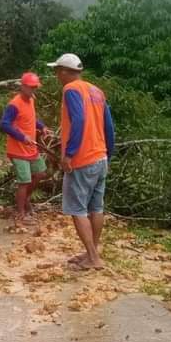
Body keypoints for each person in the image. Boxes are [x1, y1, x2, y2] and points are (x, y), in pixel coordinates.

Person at [47, 53, 115, 270]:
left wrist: (69, 154)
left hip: (82, 159)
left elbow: (79, 119)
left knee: (77, 209)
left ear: (66, 71)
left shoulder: (71, 90)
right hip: (100, 157)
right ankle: (92, 252)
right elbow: (109, 126)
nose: (56, 74)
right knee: (96, 207)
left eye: (58, 70)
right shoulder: (96, 91)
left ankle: (93, 258)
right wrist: (108, 154)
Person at [0, 72, 47, 227]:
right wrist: (22, 137)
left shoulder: (31, 100)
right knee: (24, 181)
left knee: (40, 172)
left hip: (31, 147)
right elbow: (4, 124)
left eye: (35, 87)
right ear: (23, 86)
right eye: (31, 87)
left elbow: (31, 119)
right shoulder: (15, 104)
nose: (34, 90)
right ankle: (20, 213)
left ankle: (25, 199)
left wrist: (42, 127)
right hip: (18, 149)